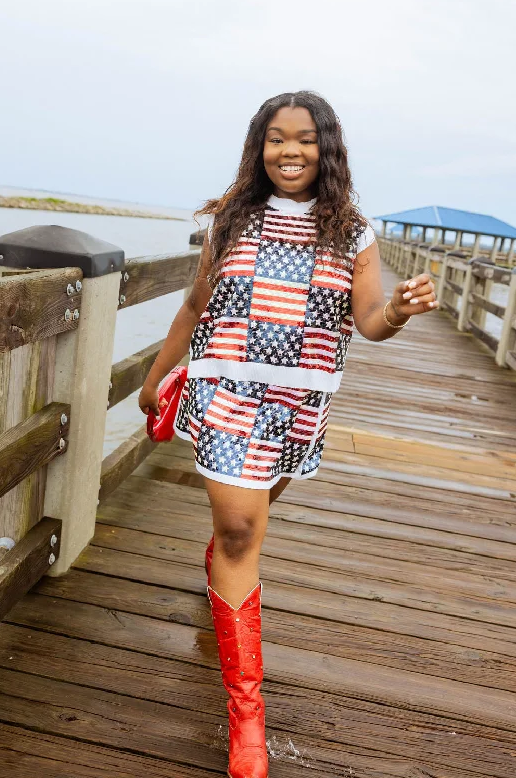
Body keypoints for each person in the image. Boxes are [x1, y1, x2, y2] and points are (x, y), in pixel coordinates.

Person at [138, 90, 438, 778]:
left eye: (304, 138)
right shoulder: (231, 220)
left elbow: (367, 321)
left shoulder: (351, 232)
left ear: (326, 148)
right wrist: (156, 376)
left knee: (248, 516)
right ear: (257, 146)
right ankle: (246, 719)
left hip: (298, 404)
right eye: (275, 138)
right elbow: (194, 304)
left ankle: (219, 559)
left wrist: (395, 307)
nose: (289, 150)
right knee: (244, 530)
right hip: (225, 392)